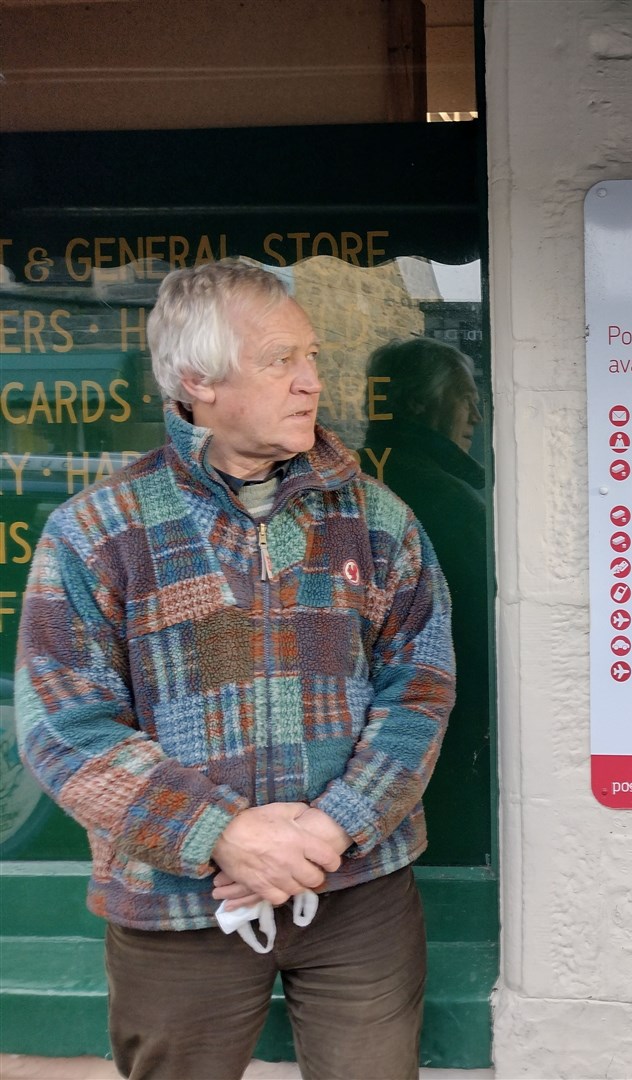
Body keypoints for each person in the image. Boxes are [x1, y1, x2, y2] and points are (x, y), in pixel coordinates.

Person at [16, 260, 455, 1080]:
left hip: (357, 890)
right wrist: (222, 833)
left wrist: (334, 826)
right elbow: (64, 728)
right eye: (280, 359)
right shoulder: (98, 531)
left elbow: (420, 686)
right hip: (176, 904)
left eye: (313, 357)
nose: (312, 381)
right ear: (197, 381)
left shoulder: (374, 519)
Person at [362, 337, 490, 864]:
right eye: (466, 396)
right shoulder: (446, 500)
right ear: (418, 403)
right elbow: (479, 648)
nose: (478, 417)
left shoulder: (352, 484)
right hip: (440, 758)